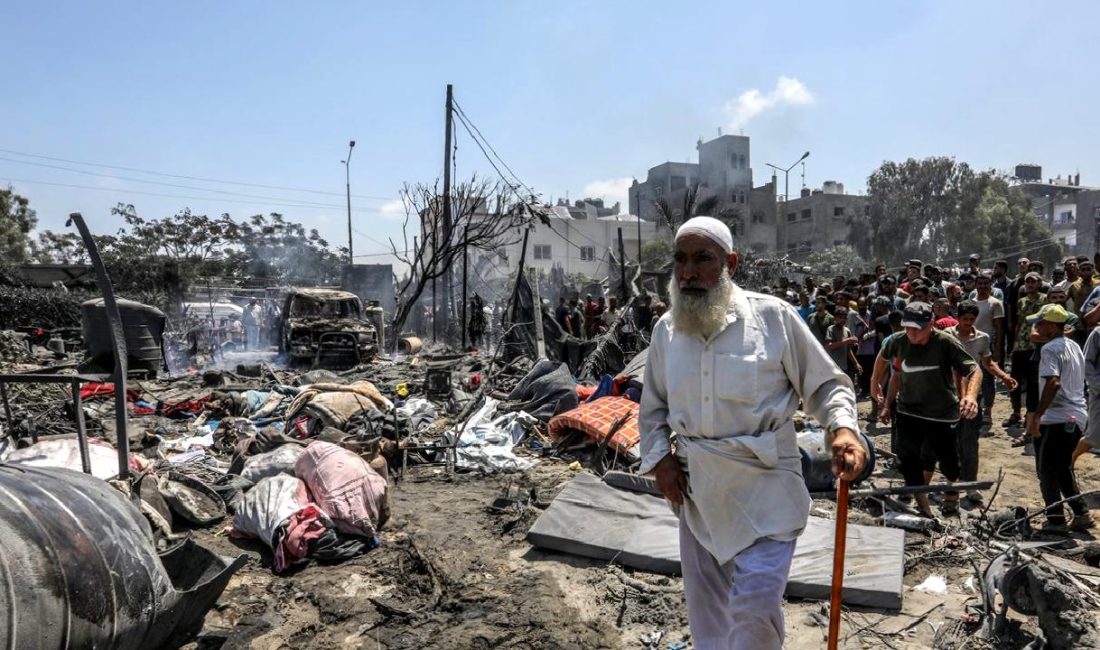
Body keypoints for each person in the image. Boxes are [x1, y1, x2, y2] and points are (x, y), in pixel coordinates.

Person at [640, 216, 866, 650]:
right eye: (680, 259)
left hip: (766, 487)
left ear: (731, 263)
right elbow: (652, 410)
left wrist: (842, 429)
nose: (687, 271)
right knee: (707, 617)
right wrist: (661, 460)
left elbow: (825, 384)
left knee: (754, 606)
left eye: (702, 259)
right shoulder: (666, 331)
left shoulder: (773, 318)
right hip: (698, 492)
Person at [872, 301, 980, 518]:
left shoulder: (945, 342)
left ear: (930, 324)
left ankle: (951, 495)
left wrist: (970, 396)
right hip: (909, 410)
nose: (911, 333)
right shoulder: (898, 341)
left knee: (949, 461)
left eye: (917, 328)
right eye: (907, 327)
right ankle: (924, 508)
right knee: (909, 460)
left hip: (941, 413)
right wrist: (875, 381)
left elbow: (974, 370)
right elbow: (883, 359)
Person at [1027, 304, 1093, 532]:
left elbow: (1053, 383)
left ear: (1052, 326)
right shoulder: (1073, 346)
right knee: (1063, 467)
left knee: (1046, 469)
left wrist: (1037, 415)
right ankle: (1081, 512)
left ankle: (1055, 519)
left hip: (1057, 417)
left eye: (1040, 322)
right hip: (1076, 415)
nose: (1036, 326)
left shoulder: (1050, 349)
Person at [945, 301, 1017, 502]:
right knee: (949, 443)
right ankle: (951, 485)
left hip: (971, 397)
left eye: (971, 319)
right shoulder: (945, 336)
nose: (968, 323)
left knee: (969, 443)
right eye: (965, 319)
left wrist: (1004, 376)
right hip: (947, 397)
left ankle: (970, 485)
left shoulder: (982, 338)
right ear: (958, 318)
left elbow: (987, 362)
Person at [1005, 273, 1046, 429]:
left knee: (1032, 384)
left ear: (1039, 283)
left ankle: (1030, 415)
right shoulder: (1021, 301)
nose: (1030, 284)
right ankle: (1016, 412)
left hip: (1035, 347)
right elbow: (1019, 323)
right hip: (1020, 346)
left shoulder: (1045, 299)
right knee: (1014, 381)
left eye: (1033, 281)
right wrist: (1014, 344)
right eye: (1027, 281)